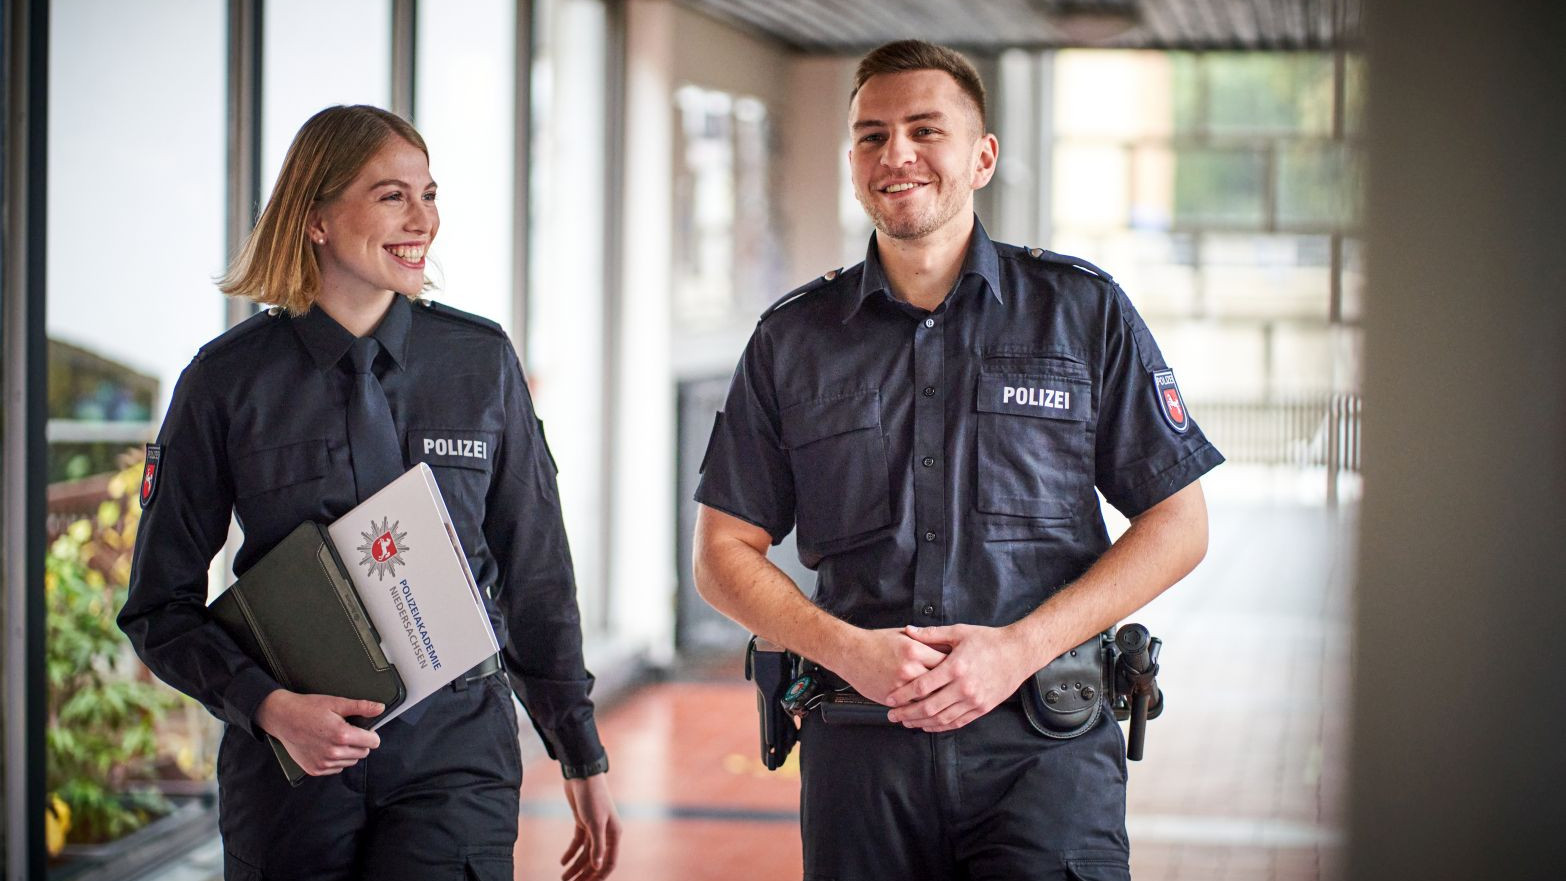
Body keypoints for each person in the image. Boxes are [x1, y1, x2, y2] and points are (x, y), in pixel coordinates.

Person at [693, 40, 1223, 880]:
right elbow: (722, 555)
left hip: (1044, 749)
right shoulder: (792, 339)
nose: (895, 154)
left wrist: (1019, 647)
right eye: (870, 136)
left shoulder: (1081, 314)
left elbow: (1179, 522)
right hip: (861, 755)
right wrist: (845, 648)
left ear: (982, 158)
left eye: (923, 130)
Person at [119, 105, 620, 881]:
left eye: (429, 193)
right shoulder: (225, 381)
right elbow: (158, 606)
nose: (424, 217)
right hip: (291, 765)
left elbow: (536, 574)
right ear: (316, 218)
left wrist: (579, 749)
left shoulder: (479, 361)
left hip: (455, 753)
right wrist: (269, 708)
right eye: (392, 195)